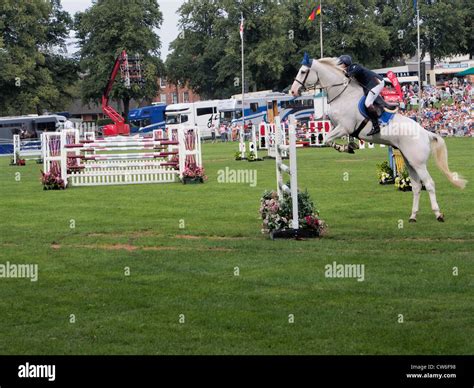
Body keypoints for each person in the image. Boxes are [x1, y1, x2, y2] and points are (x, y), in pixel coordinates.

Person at [337, 55, 385, 136]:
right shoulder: (349, 69)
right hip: (372, 85)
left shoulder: (354, 66)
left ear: (345, 64)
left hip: (377, 82)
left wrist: (348, 74)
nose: (339, 65)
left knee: (368, 103)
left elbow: (357, 70)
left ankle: (376, 126)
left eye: (340, 63)